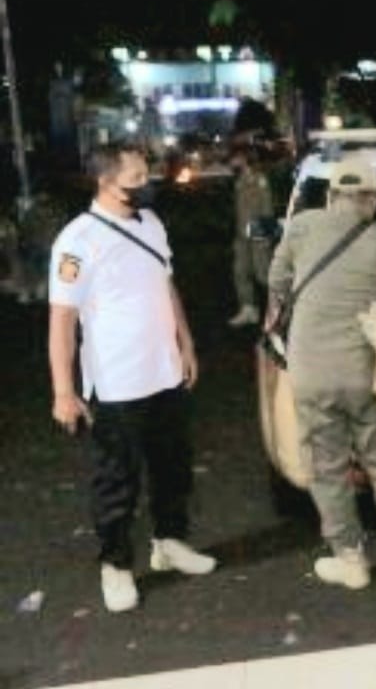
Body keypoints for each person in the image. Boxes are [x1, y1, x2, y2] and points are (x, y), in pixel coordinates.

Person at [48, 143, 216, 613]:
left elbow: (166, 283)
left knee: (173, 467)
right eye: (137, 178)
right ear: (106, 182)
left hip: (165, 372)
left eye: (147, 175)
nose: (148, 185)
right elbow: (61, 321)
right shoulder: (77, 241)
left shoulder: (151, 224)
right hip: (117, 383)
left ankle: (170, 542)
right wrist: (64, 391)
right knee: (117, 480)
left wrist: (185, 343)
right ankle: (116, 566)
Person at [266, 155, 376, 590]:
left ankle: (351, 561)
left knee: (327, 467)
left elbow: (277, 281)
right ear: (373, 199)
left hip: (310, 371)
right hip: (364, 371)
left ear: (331, 196)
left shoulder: (301, 227)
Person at [228, 147, 275, 326]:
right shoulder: (239, 181)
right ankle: (248, 309)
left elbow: (267, 209)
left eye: (235, 158)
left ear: (244, 159)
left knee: (263, 273)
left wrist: (266, 236)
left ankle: (276, 309)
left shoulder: (260, 180)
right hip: (242, 233)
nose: (232, 161)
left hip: (258, 232)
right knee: (240, 272)